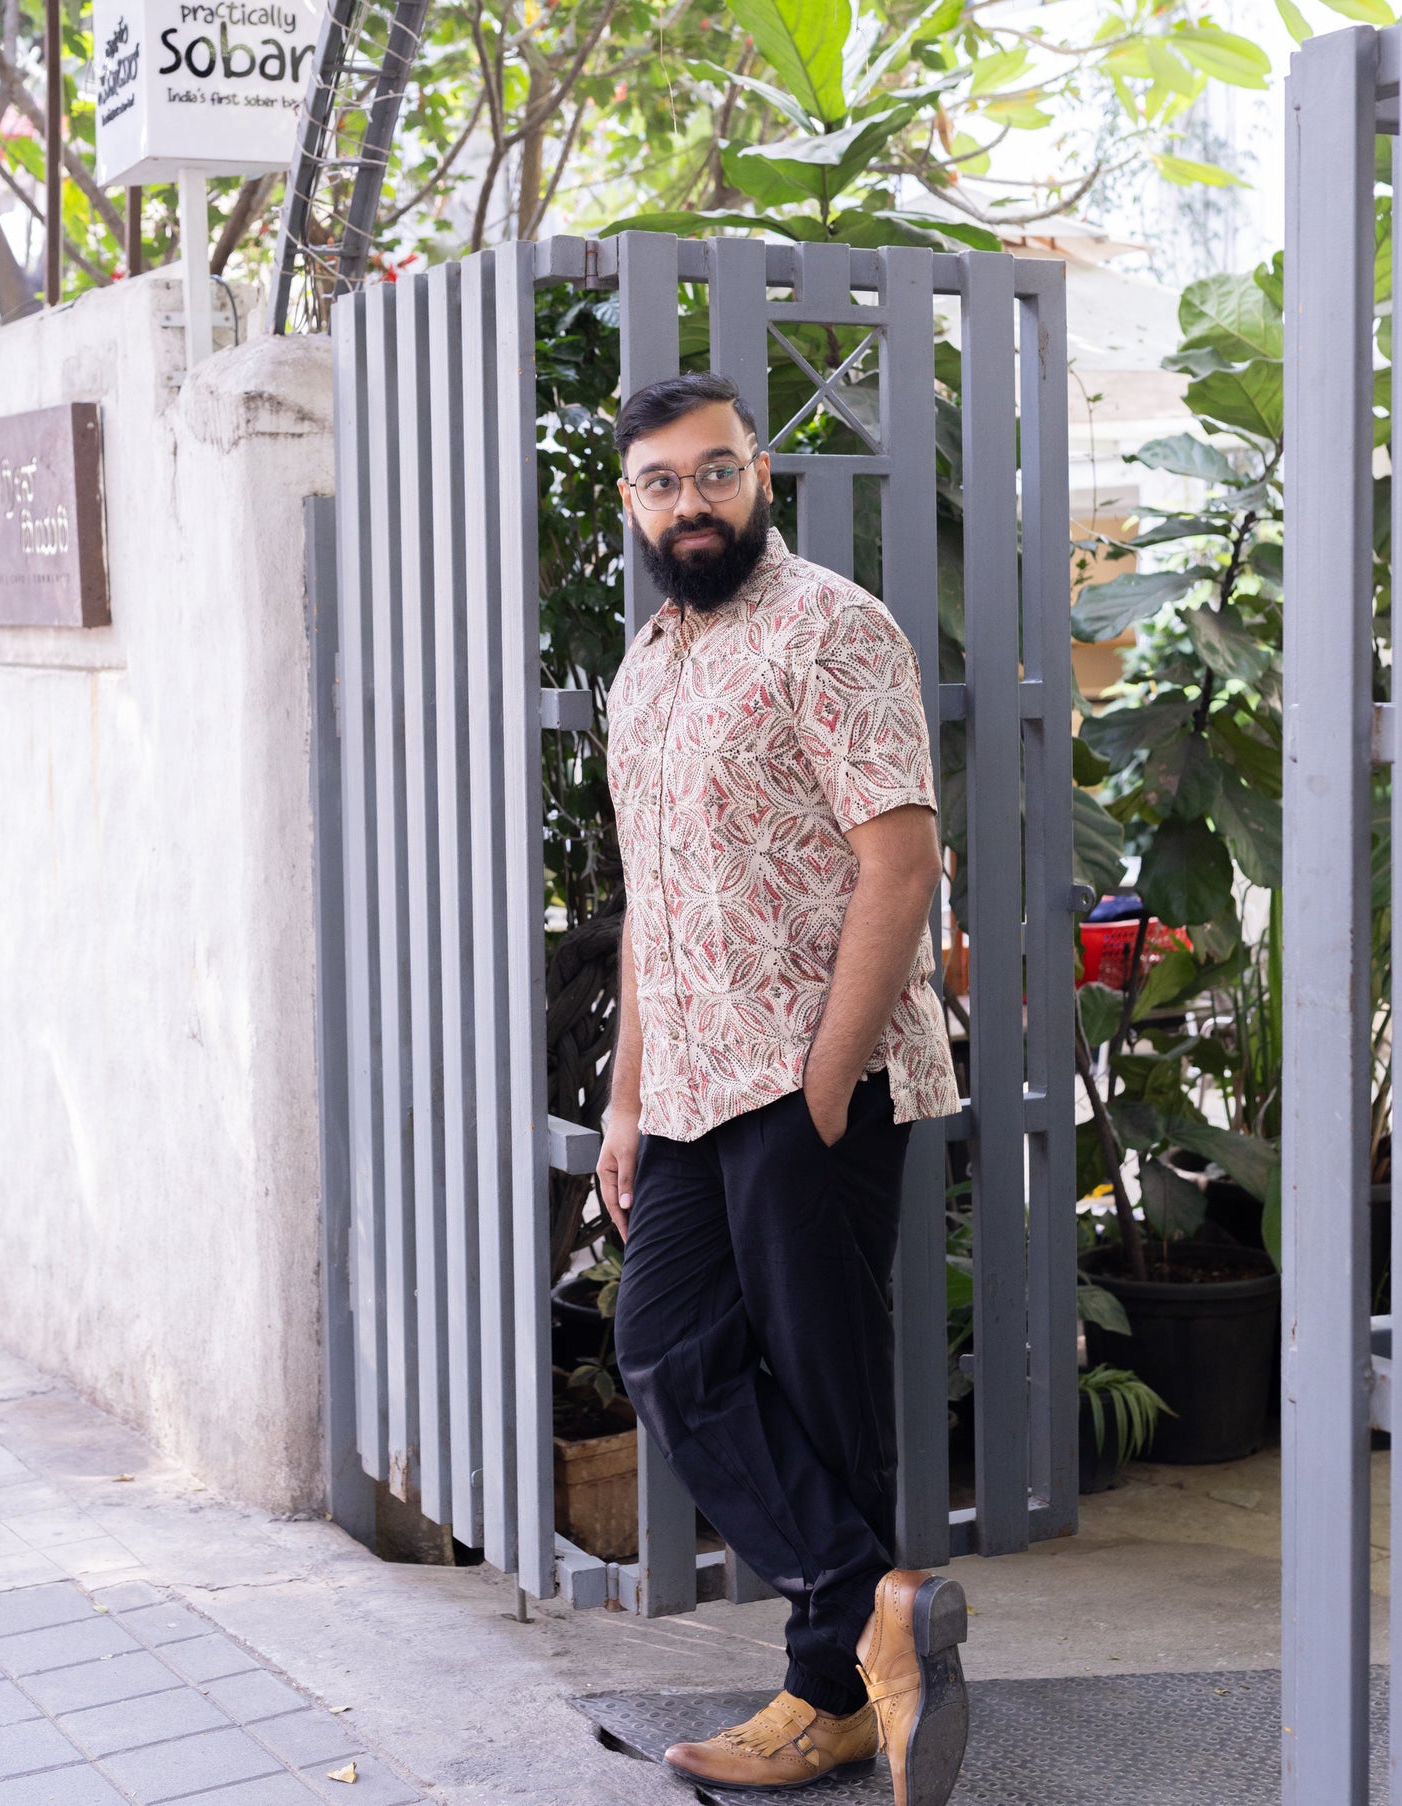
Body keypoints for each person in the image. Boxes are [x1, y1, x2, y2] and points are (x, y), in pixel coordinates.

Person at [596, 370, 969, 1806]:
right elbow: (657, 896)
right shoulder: (650, 660)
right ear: (629, 504)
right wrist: (627, 1100)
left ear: (761, 477)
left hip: (813, 1073)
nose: (690, 501)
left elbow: (899, 860)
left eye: (713, 472)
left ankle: (825, 1693)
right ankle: (878, 1606)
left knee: (821, 1384)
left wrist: (822, 1083)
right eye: (660, 482)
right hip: (686, 1087)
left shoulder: (830, 628)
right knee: (666, 1347)